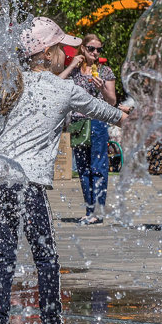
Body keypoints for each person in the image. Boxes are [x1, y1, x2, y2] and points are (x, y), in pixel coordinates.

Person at [0, 18, 128, 324]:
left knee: (3, 258)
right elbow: (108, 113)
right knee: (46, 258)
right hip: (28, 183)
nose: (68, 53)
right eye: (63, 47)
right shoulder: (64, 89)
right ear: (48, 53)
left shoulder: (11, 84)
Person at [59, 33, 117, 224]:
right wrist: (71, 65)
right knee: (83, 168)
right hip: (77, 122)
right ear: (83, 48)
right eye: (91, 48)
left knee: (98, 167)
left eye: (99, 49)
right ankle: (89, 210)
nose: (95, 52)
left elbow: (112, 101)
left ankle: (98, 211)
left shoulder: (105, 71)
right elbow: (57, 85)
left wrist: (102, 89)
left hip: (97, 122)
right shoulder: (75, 72)